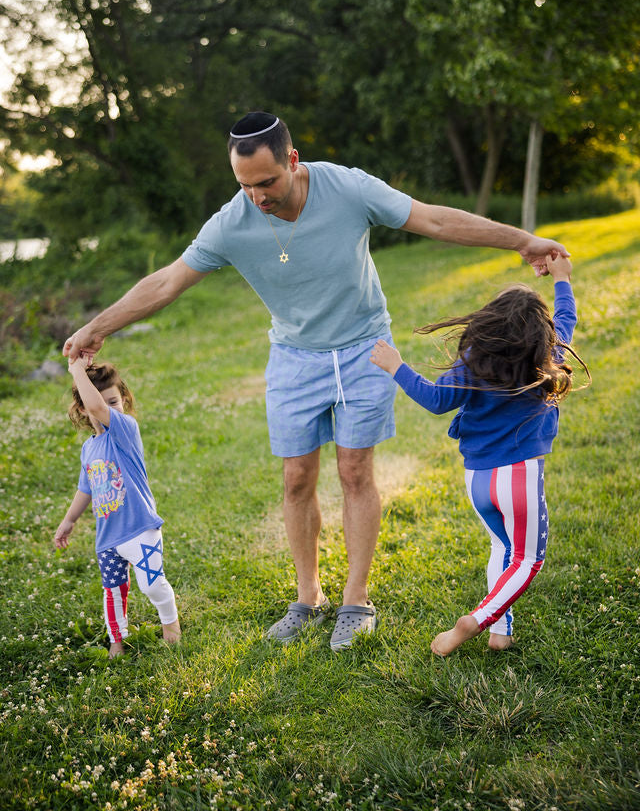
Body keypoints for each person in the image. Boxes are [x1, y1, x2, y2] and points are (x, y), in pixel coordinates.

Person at [63, 110, 570, 652]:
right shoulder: (232, 222)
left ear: (292, 161)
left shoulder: (346, 187)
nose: (257, 196)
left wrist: (523, 241)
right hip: (294, 356)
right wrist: (98, 326)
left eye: (267, 182)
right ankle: (308, 599)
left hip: (363, 347)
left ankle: (356, 600)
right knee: (296, 479)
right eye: (244, 185)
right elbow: (167, 281)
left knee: (355, 471)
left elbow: (434, 221)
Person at [370, 252, 588, 655]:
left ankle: (500, 633)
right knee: (527, 559)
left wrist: (398, 366)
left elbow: (436, 400)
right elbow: (567, 319)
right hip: (518, 477)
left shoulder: (474, 362)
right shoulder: (546, 358)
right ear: (542, 336)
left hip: (478, 479)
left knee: (501, 548)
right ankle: (473, 622)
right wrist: (562, 279)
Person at [54, 356, 181, 658]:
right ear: (82, 408)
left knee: (151, 585)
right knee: (113, 592)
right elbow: (86, 488)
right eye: (97, 403)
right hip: (108, 538)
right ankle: (117, 642)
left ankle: (171, 625)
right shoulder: (89, 448)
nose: (108, 408)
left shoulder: (125, 430)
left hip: (140, 528)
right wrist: (69, 520)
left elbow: (101, 408)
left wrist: (75, 369)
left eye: (114, 401)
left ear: (123, 399)